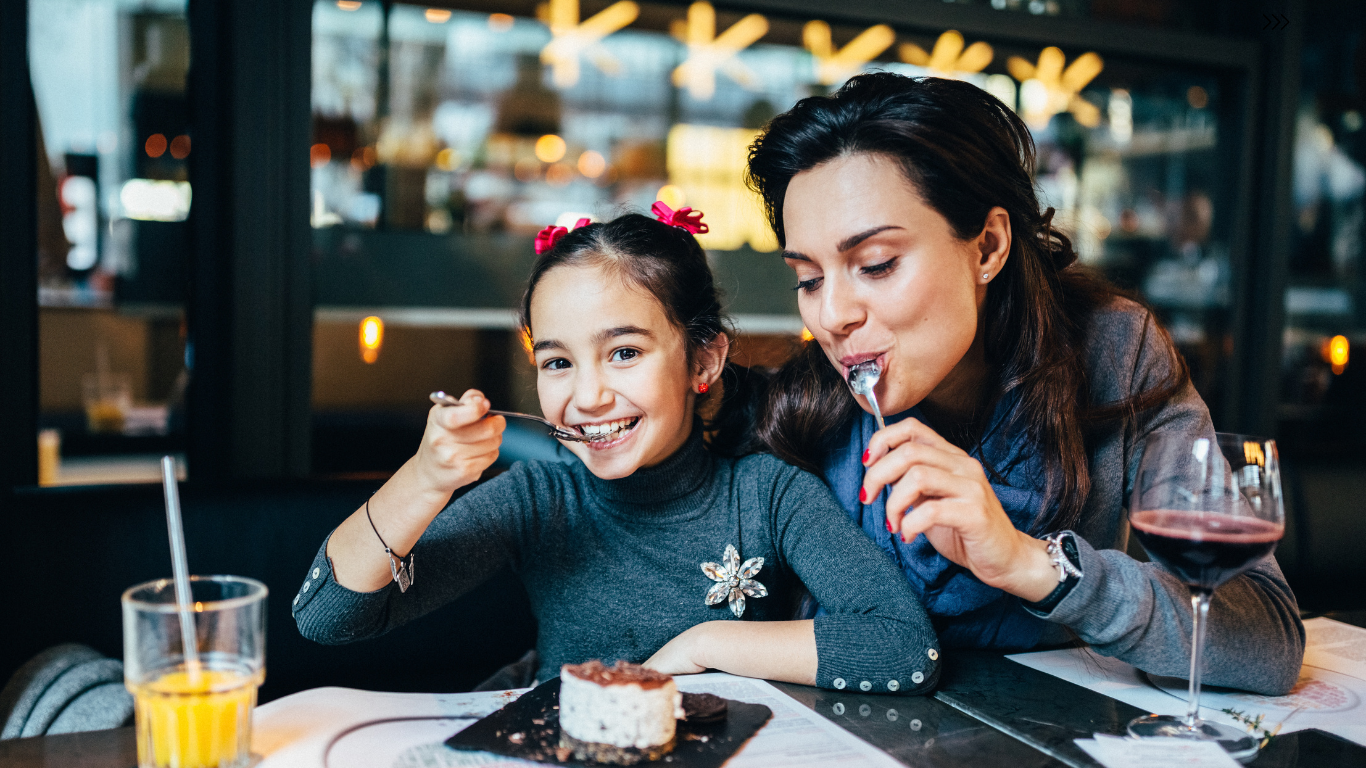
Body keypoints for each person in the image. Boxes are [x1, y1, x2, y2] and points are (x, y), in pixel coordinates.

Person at [745, 73, 1304, 695]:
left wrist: (1030, 563)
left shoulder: (1115, 354)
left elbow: (1269, 640)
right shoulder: (797, 412)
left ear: (987, 246)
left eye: (876, 265)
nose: (831, 315)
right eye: (809, 279)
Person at [293, 206, 941, 695]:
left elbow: (905, 650)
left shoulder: (768, 495)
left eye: (624, 353)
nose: (588, 395)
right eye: (557, 362)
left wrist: (704, 645)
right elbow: (326, 618)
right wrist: (426, 478)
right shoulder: (539, 500)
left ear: (704, 359)